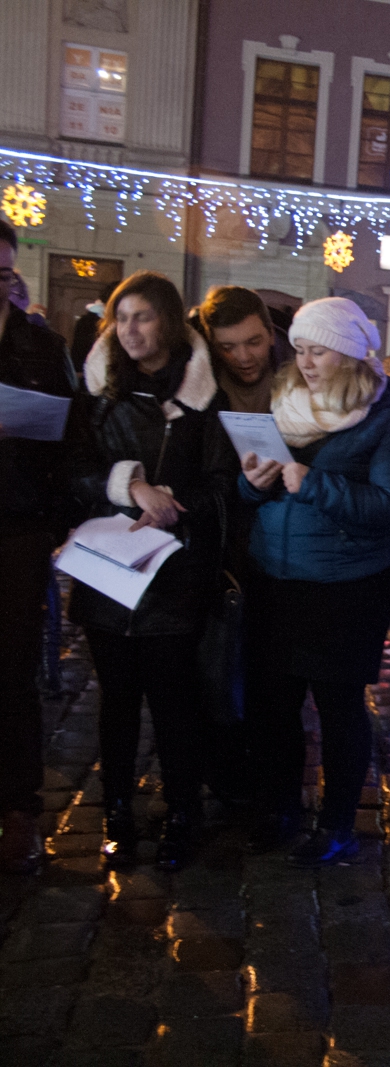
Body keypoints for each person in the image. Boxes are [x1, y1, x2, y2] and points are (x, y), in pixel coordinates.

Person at [67, 270, 236, 872]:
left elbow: (221, 484)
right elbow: (73, 473)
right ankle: (116, 811)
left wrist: (174, 505)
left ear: (167, 321)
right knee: (115, 700)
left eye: (142, 316)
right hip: (108, 569)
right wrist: (129, 486)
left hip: (174, 574)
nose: (129, 330)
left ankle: (182, 812)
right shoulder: (98, 393)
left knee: (173, 701)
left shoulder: (202, 400)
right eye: (121, 318)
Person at [239, 297, 390, 866]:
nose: (306, 362)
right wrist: (251, 484)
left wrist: (316, 484)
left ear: (348, 354)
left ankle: (337, 822)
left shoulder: (385, 415)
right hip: (276, 578)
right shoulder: (283, 400)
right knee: (274, 706)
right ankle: (280, 809)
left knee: (339, 708)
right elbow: (253, 489)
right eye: (300, 350)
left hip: (345, 586)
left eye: (318, 351)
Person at [0, 219, 79, 874]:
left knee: (14, 670)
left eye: (2, 275)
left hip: (18, 526)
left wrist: (53, 524)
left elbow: (72, 438)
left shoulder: (40, 346)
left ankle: (19, 808)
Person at [194, 285, 287, 414]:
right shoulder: (190, 390)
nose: (244, 357)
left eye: (254, 343)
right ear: (212, 345)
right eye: (227, 348)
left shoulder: (305, 381)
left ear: (271, 334)